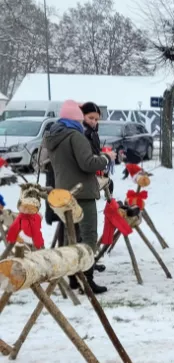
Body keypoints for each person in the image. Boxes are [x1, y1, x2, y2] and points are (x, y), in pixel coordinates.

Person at [43, 100, 114, 294]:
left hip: (64, 193)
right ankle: (87, 279)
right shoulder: (76, 136)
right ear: (77, 117)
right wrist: (107, 159)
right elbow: (88, 164)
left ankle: (73, 277)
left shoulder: (54, 136)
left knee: (70, 236)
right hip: (82, 193)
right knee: (88, 237)